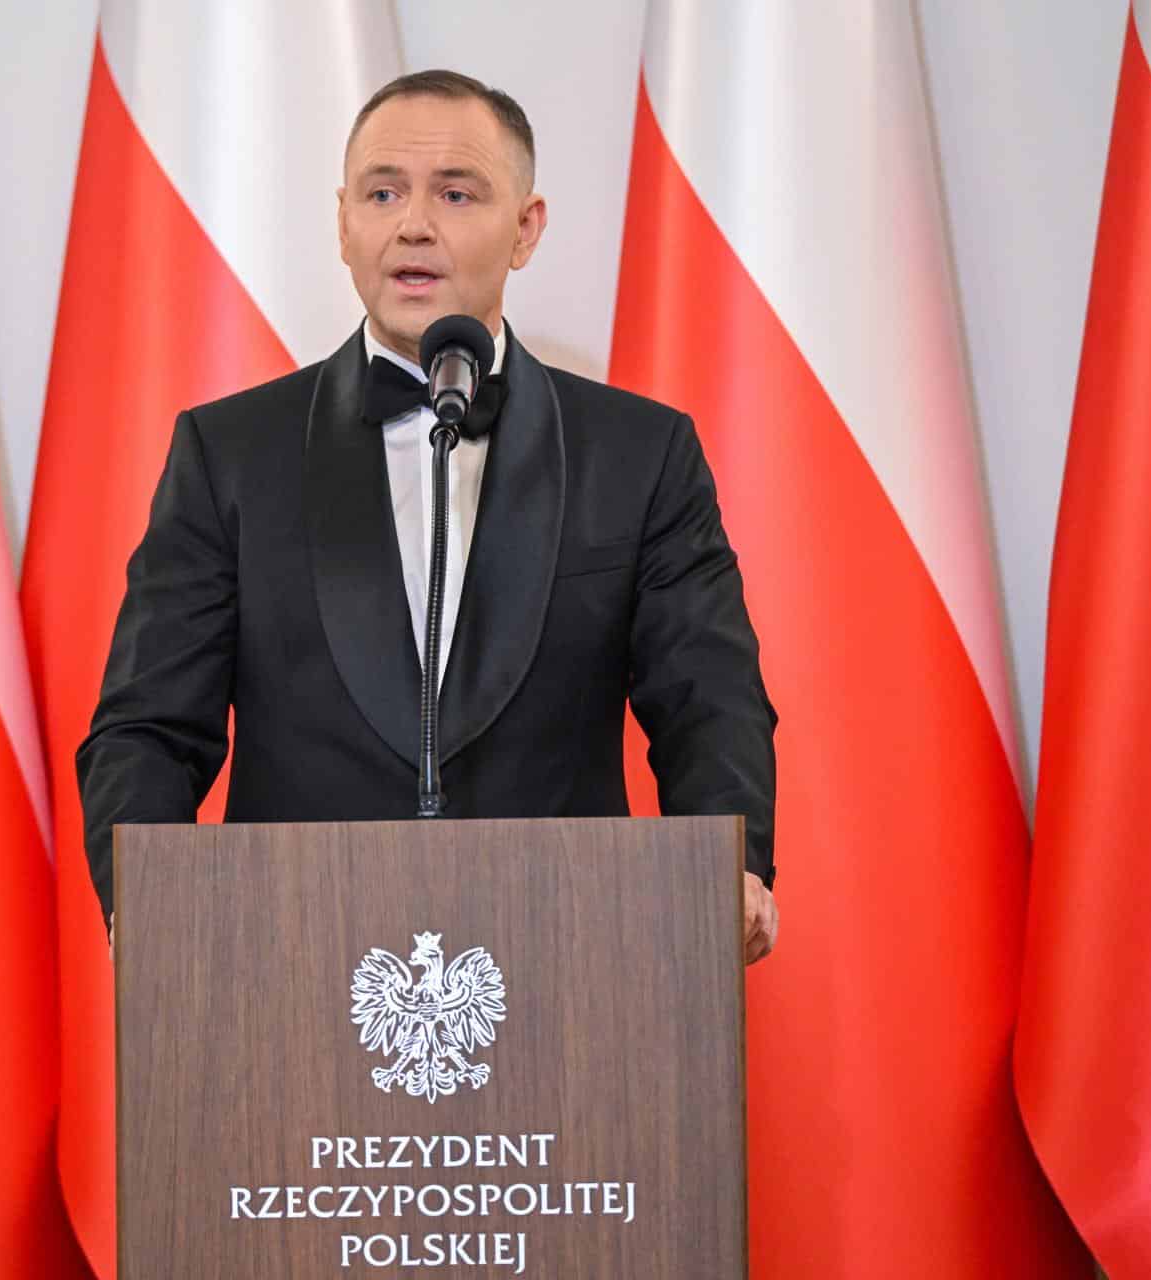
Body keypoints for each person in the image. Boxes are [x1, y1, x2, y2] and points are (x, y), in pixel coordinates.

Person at [78, 70, 780, 964]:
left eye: (456, 192)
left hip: (569, 957)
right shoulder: (230, 452)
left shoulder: (640, 454)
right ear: (343, 223)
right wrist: (146, 900)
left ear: (526, 229)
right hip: (292, 963)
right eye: (383, 192)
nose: (414, 223)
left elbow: (709, 700)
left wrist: (734, 863)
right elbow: (148, 724)